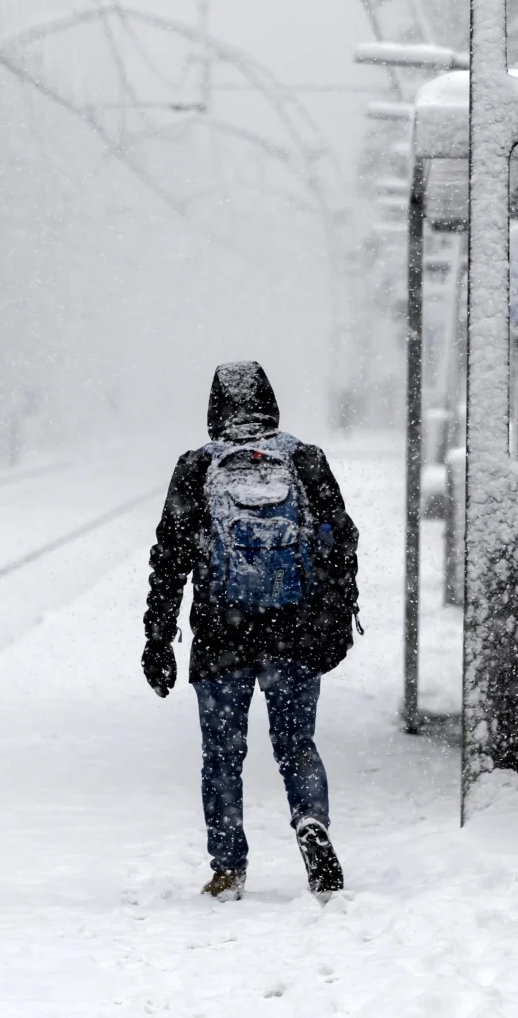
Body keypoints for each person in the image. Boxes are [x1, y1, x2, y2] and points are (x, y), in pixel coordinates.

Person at [141, 361, 359, 900]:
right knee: (295, 744)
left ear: (216, 409)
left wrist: (158, 636)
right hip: (295, 630)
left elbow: (169, 557)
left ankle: (228, 869)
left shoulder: (196, 466)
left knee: (221, 753)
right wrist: (337, 619)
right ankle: (311, 821)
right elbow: (342, 541)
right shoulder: (305, 460)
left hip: (221, 635)